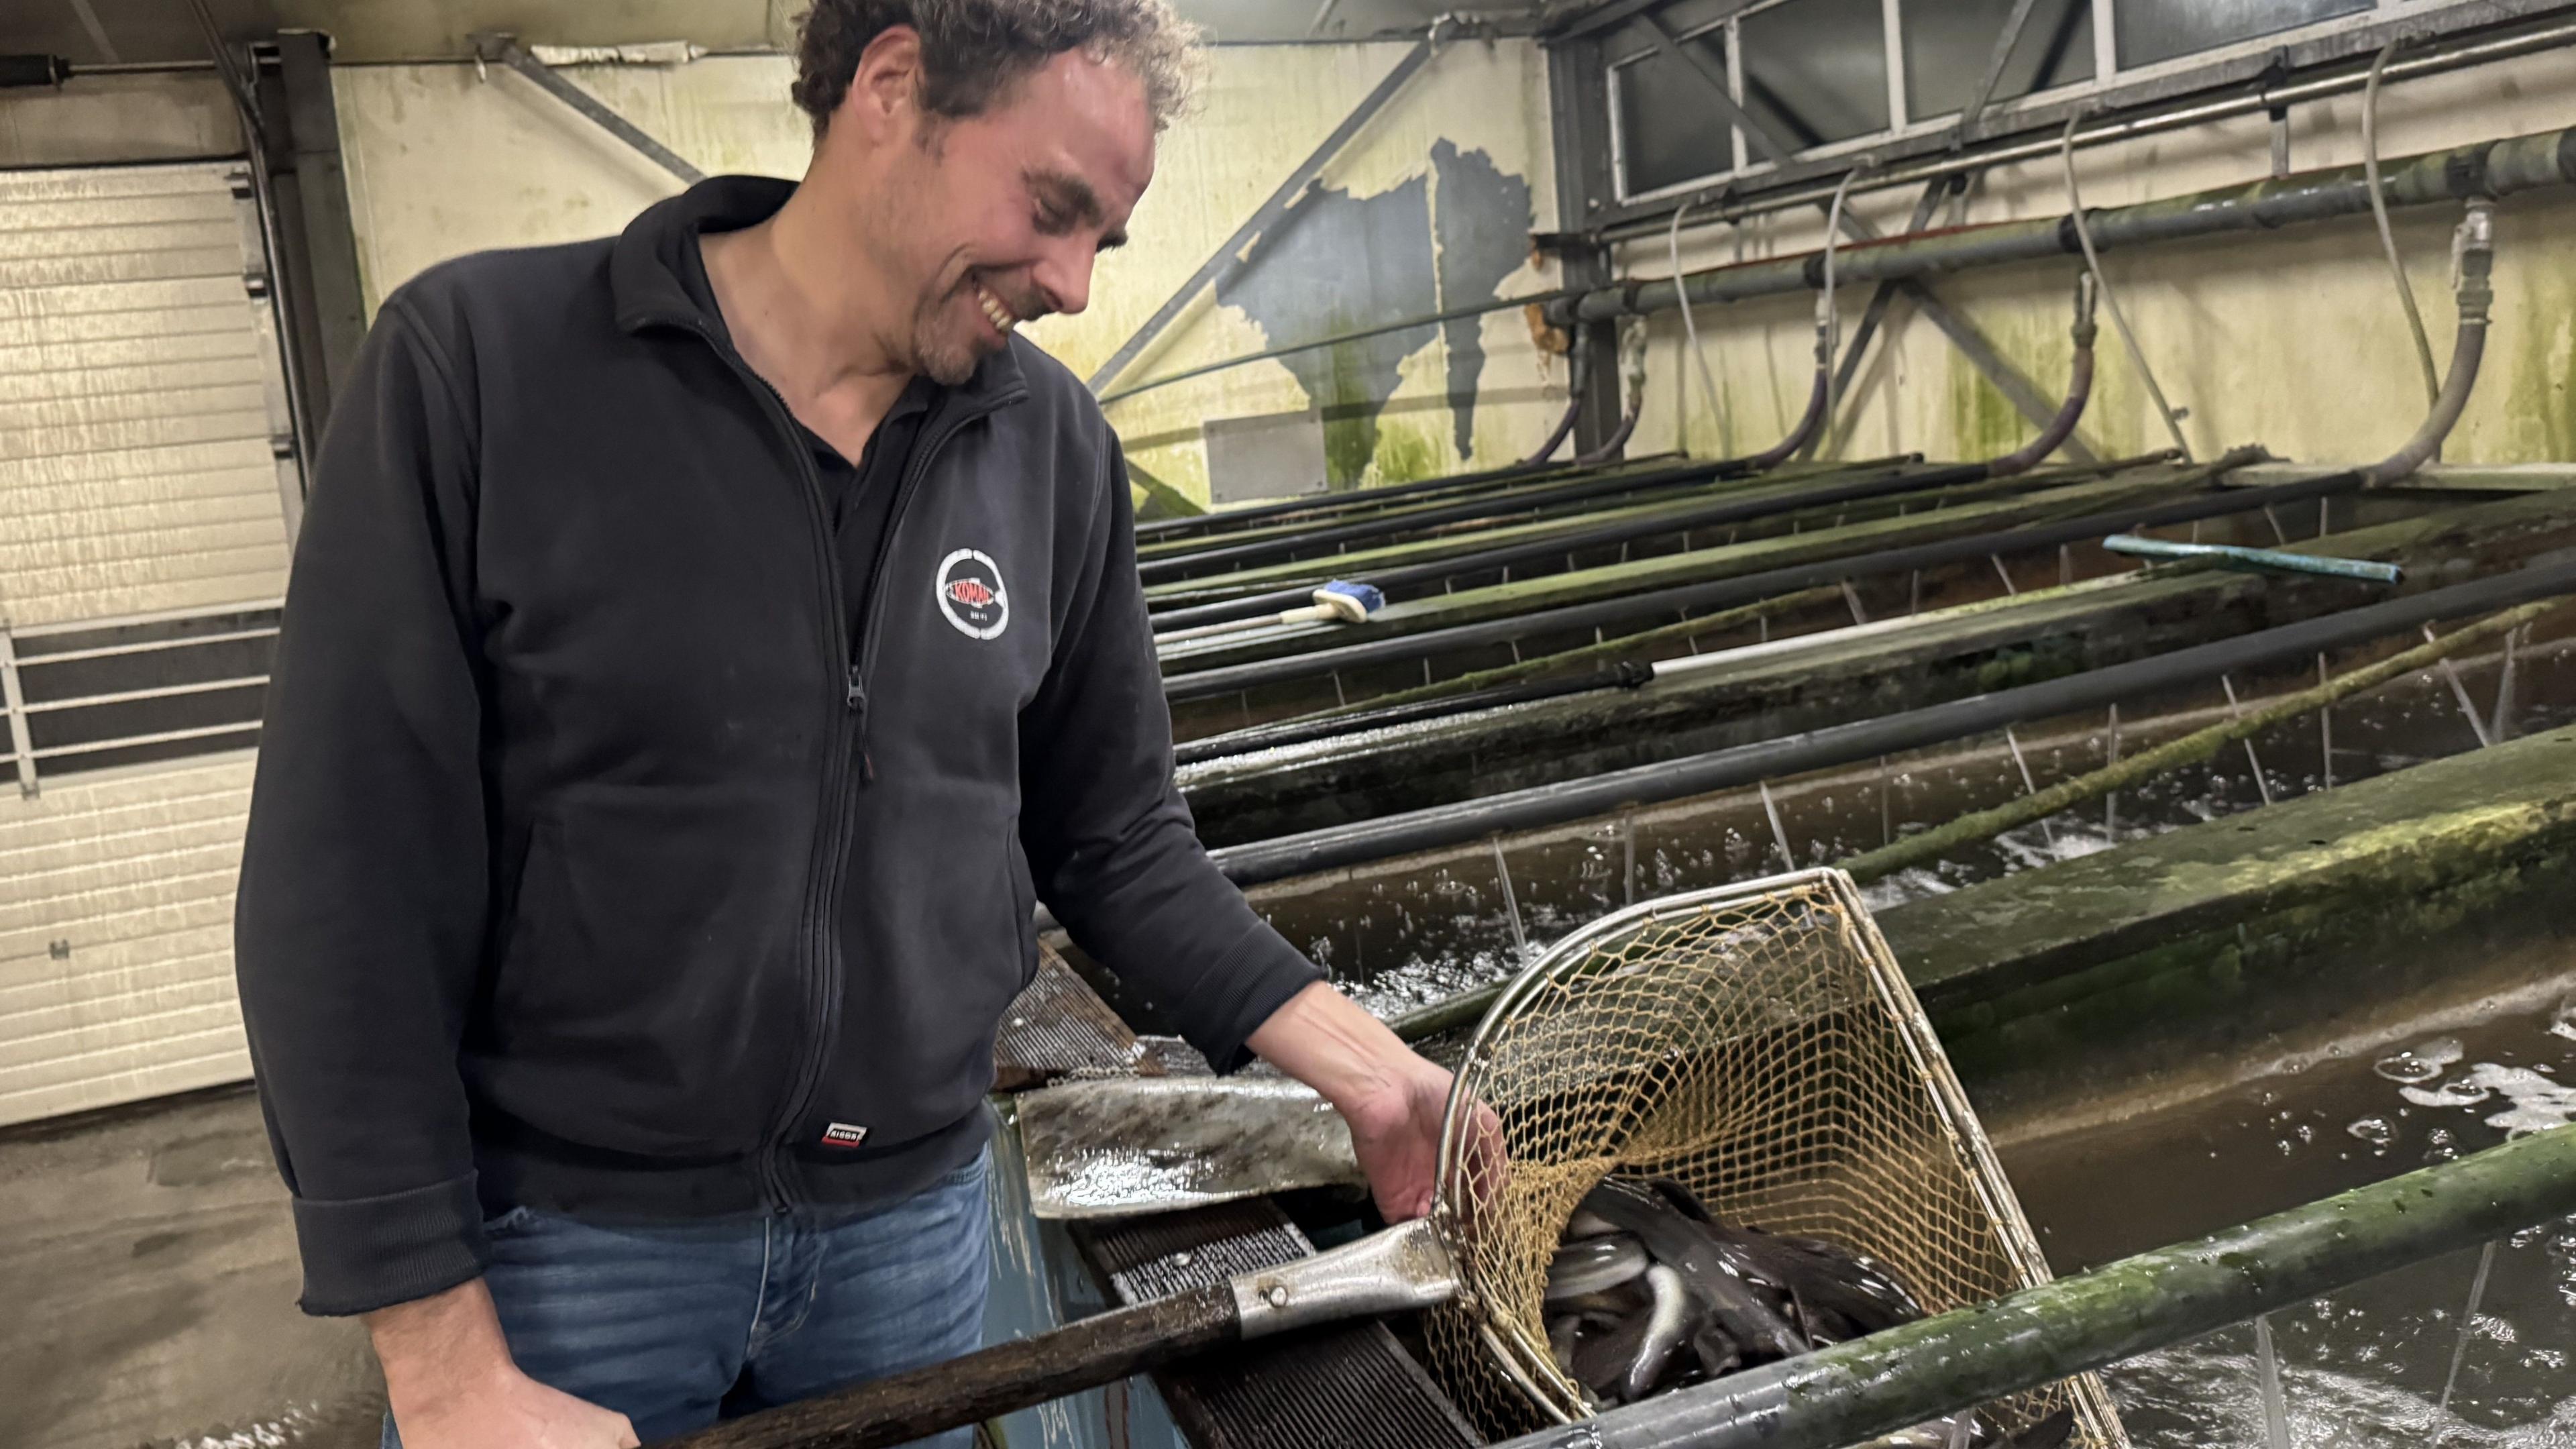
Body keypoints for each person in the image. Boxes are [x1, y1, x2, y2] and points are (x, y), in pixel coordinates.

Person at [230, 1, 1464, 1444]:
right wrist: (439, 1361)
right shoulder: (484, 370)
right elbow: (345, 889)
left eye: (1102, 242)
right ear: (892, 87)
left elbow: (1118, 838)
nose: (1071, 281)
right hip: (567, 1248)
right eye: (1052, 207)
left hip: (908, 1235)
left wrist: (1373, 1072)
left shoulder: (1053, 449)